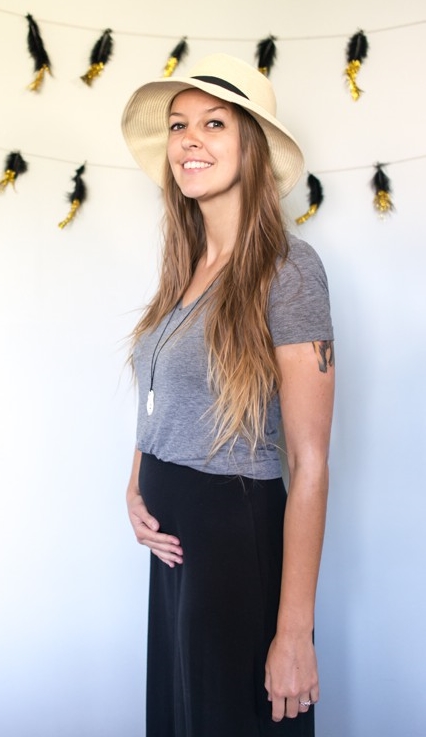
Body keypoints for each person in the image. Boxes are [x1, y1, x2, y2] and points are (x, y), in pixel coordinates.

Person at [121, 53, 334, 737]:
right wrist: (137, 482)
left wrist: (294, 632)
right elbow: (161, 395)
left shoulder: (288, 270)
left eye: (214, 123)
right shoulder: (184, 269)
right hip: (176, 552)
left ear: (252, 145)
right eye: (179, 125)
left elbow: (308, 462)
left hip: (233, 546)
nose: (190, 139)